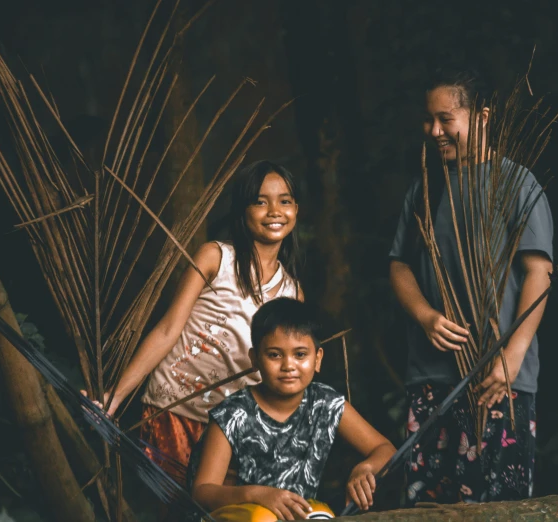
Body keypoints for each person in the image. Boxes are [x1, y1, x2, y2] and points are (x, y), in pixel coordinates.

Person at [388, 68, 553, 504]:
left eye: (446, 119)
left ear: (481, 116)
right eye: (429, 120)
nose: (435, 131)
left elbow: (540, 272)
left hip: (498, 379)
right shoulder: (425, 188)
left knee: (499, 505)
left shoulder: (517, 184)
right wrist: (425, 316)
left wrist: (512, 358)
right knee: (428, 506)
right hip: (431, 376)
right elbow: (399, 266)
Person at [90, 160, 304, 483]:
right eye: (260, 201)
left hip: (229, 429)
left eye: (284, 201)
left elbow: (277, 376)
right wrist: (113, 397)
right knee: (174, 511)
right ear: (243, 212)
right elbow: (166, 330)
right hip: (172, 408)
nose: (274, 210)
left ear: (296, 210)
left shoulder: (293, 294)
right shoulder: (215, 258)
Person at [191, 297, 395, 521]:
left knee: (323, 516)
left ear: (317, 359)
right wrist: (257, 495)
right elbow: (202, 491)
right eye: (274, 355)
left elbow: (385, 449)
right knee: (262, 518)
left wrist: (365, 468)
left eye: (300, 354)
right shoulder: (233, 414)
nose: (288, 365)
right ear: (255, 359)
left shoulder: (325, 403)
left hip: (293, 514)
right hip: (240, 513)